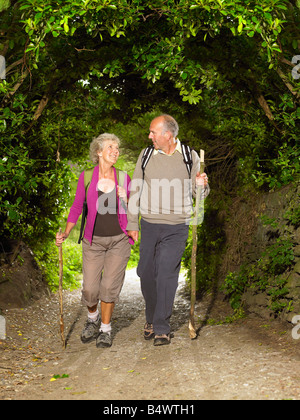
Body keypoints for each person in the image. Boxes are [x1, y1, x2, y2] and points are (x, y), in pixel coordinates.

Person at [127, 114, 210, 346]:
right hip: (150, 224)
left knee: (166, 273)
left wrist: (202, 185)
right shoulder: (145, 156)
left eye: (153, 132)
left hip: (177, 225)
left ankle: (161, 326)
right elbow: (135, 189)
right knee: (145, 273)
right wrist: (132, 223)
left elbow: (198, 194)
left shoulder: (188, 156)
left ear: (168, 135)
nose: (149, 136)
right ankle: (152, 316)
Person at [56, 133, 133, 348]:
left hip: (119, 240)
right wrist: (65, 232)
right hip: (93, 242)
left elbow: (132, 211)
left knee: (108, 287)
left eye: (117, 149)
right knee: (90, 289)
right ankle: (92, 318)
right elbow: (77, 207)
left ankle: (106, 329)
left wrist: (125, 198)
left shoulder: (123, 178)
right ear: (98, 152)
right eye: (110, 147)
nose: (115, 152)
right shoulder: (87, 177)